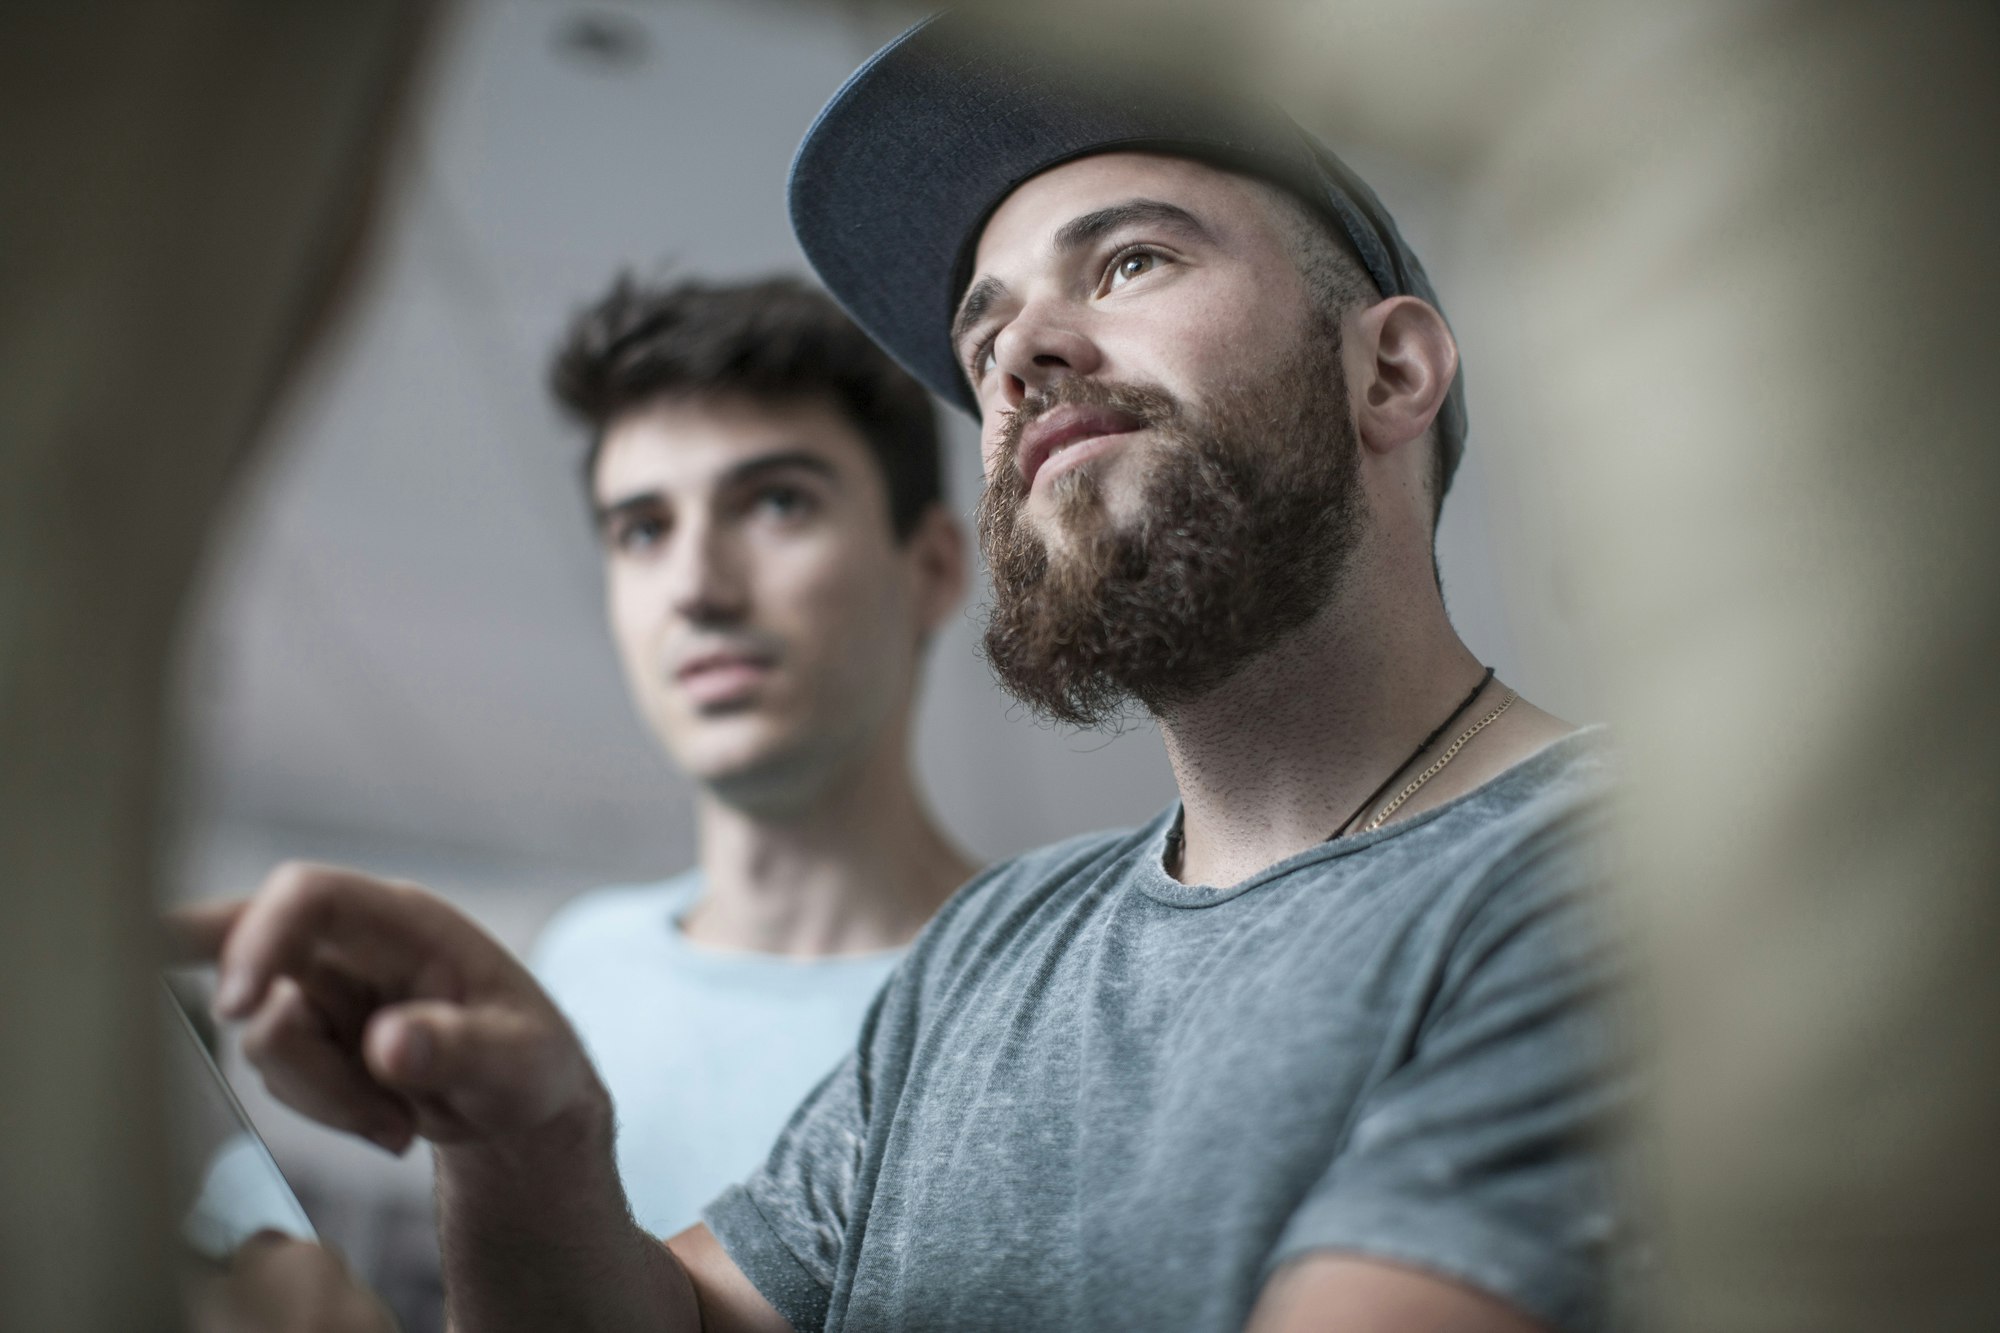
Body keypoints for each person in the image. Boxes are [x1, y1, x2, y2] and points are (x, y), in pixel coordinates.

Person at [176, 14, 1629, 1333]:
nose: (1020, 360)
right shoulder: (991, 948)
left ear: (1391, 374)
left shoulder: (1619, 874)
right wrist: (524, 1137)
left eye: (1131, 261)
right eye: (982, 333)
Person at [528, 274, 974, 1237]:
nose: (696, 587)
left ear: (932, 569)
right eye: (643, 530)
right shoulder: (575, 969)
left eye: (776, 503)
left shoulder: (1049, 987)